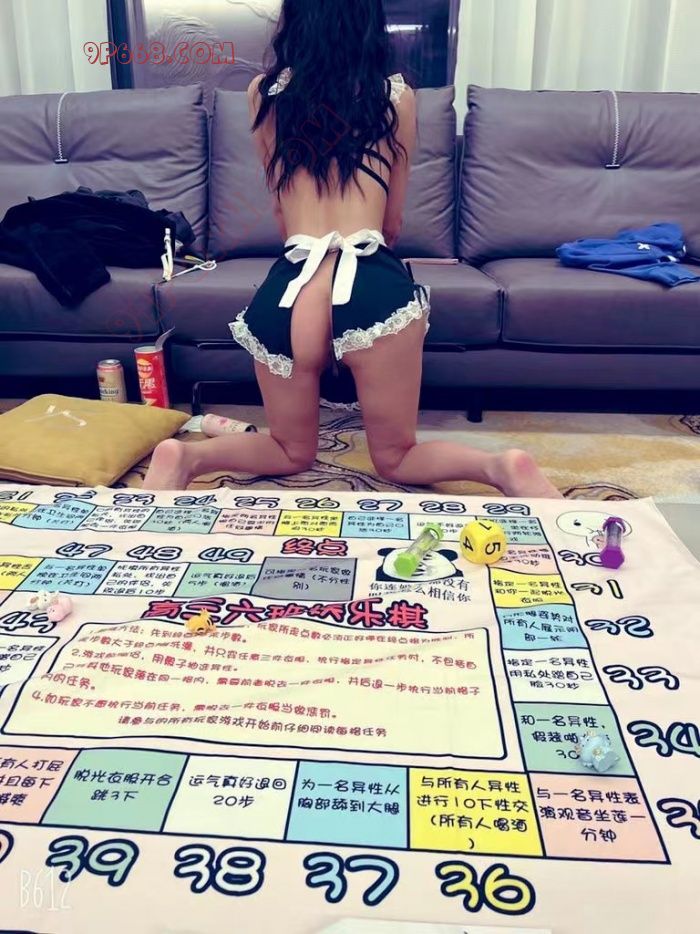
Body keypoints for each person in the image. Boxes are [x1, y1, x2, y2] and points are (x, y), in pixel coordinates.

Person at [144, 0, 560, 498]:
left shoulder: (264, 94)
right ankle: (500, 468)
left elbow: (281, 211)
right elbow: (392, 222)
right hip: (368, 280)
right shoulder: (396, 97)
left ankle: (188, 456)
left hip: (291, 288)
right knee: (397, 456)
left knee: (289, 450)